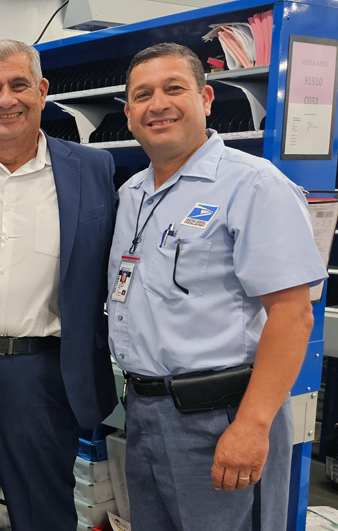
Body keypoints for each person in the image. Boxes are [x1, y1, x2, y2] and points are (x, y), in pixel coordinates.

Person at [110, 42, 326, 530]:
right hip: (145, 412)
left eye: (174, 89)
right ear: (128, 115)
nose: (158, 104)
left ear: (205, 98)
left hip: (220, 416)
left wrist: (252, 426)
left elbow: (293, 315)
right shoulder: (132, 195)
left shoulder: (252, 185)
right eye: (143, 95)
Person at [0, 40, 119, 531]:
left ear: (41, 90)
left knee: (44, 513)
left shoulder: (92, 170)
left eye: (18, 85)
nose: (5, 99)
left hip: (44, 375)